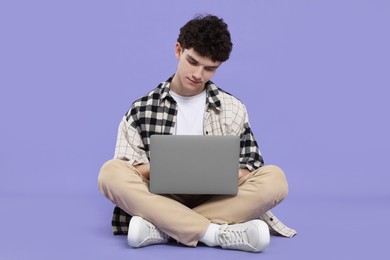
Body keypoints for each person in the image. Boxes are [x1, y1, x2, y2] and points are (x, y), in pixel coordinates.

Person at [98, 14, 296, 253]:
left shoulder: (233, 108)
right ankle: (215, 233)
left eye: (209, 68)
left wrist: (218, 170)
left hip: (217, 198)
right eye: (192, 61)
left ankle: (163, 228)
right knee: (110, 173)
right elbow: (128, 169)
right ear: (178, 50)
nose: (198, 74)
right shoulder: (141, 108)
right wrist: (168, 166)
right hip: (161, 197)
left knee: (275, 179)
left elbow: (252, 167)